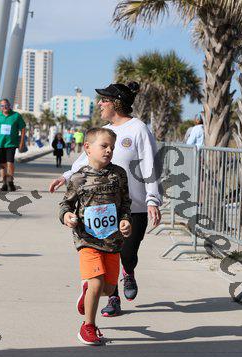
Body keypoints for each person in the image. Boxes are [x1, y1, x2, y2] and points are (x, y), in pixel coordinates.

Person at [49, 81, 162, 318]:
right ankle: (113, 299)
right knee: (108, 252)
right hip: (106, 207)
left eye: (104, 100)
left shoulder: (138, 129)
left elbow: (151, 165)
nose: (100, 104)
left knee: (127, 254)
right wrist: (65, 176)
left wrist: (152, 199)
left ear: (116, 103)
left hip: (134, 206)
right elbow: (84, 159)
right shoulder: (104, 132)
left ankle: (128, 272)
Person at [59, 127, 133, 345]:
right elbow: (65, 204)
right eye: (104, 146)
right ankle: (88, 327)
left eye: (112, 147)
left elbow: (125, 204)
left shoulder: (118, 174)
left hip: (112, 240)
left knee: (108, 288)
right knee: (97, 282)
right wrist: (67, 216)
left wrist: (126, 221)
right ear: (88, 148)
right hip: (87, 239)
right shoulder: (78, 177)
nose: (109, 150)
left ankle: (87, 291)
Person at [0, 98, 26, 192]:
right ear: (0, 107)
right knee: (2, 165)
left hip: (11, 144)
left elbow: (23, 129)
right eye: (2, 106)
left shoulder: (16, 116)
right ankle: (4, 184)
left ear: (9, 105)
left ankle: (10, 182)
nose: (4, 107)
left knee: (10, 163)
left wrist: (21, 142)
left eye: (6, 105)